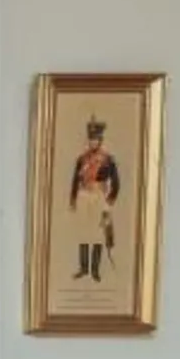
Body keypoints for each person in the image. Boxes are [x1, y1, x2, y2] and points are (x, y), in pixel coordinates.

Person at [70, 116, 123, 285]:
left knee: (98, 234)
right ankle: (83, 268)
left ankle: (95, 270)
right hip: (84, 197)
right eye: (91, 139)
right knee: (83, 232)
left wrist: (109, 202)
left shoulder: (108, 160)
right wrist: (72, 199)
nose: (93, 142)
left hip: (99, 198)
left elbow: (116, 183)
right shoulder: (81, 159)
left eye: (96, 139)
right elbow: (74, 180)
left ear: (100, 140)